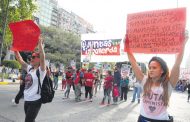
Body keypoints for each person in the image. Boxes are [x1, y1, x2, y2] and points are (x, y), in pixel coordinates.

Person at [126, 31, 188, 122]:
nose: (151, 70)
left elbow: (177, 64)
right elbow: (133, 63)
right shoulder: (144, 81)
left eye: (154, 67)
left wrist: (183, 44)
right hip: (142, 119)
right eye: (150, 67)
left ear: (162, 70)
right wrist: (127, 45)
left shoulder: (168, 84)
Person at [14, 37, 46, 122]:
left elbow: (43, 57)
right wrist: (15, 48)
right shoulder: (30, 69)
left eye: (34, 57)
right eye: (31, 57)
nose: (31, 58)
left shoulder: (41, 71)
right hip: (27, 100)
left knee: (28, 120)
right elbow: (20, 59)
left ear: (39, 60)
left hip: (35, 101)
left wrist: (40, 45)